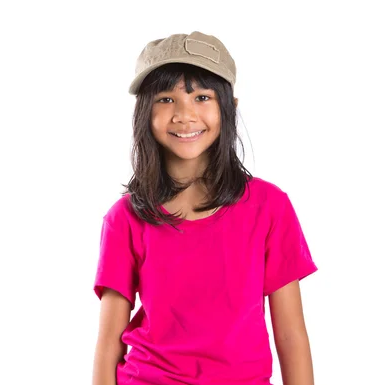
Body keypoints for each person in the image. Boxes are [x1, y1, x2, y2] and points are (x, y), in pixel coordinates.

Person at [92, 32, 318, 385]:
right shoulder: (125, 217)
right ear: (144, 112)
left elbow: (290, 336)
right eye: (166, 99)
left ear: (230, 107)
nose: (185, 115)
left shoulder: (269, 207)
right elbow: (108, 346)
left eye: (202, 96)